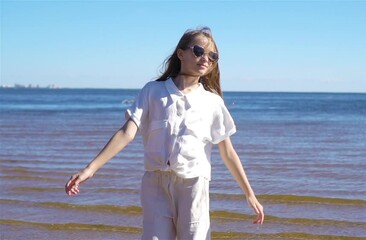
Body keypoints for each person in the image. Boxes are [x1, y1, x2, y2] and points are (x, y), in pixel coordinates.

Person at [65, 26, 264, 240]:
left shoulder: (213, 102)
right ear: (181, 53)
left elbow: (228, 152)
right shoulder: (153, 91)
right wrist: (89, 169)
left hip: (193, 185)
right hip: (155, 184)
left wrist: (249, 194)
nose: (205, 58)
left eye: (212, 56)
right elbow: (127, 133)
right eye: (198, 51)